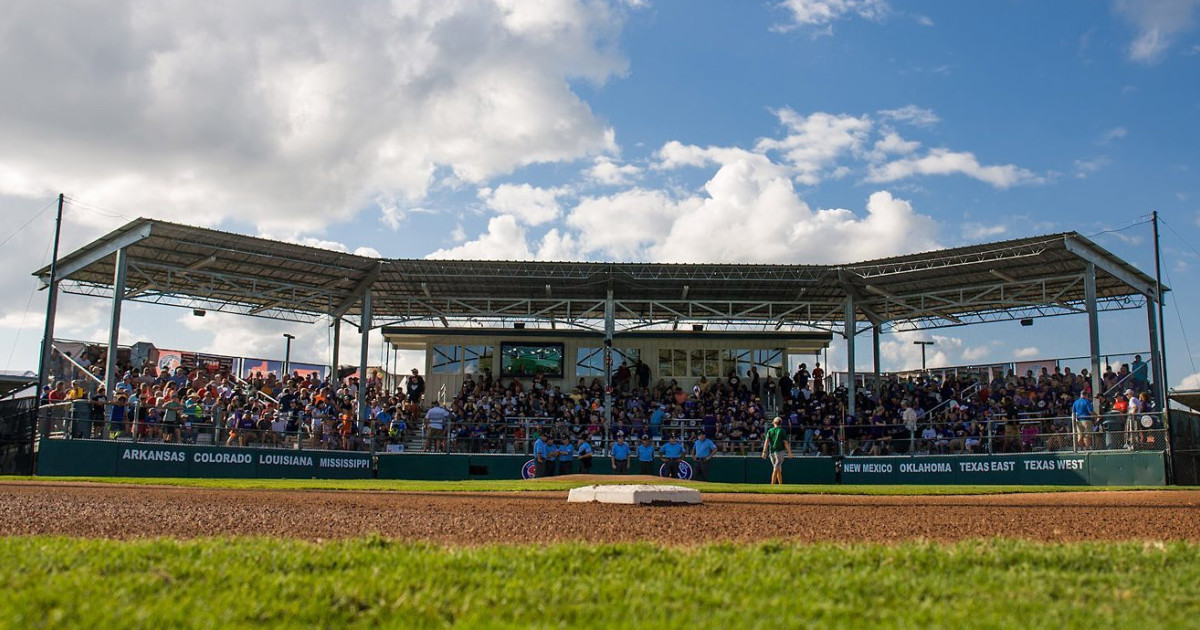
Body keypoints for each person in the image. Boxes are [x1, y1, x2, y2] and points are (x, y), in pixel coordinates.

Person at [761, 416, 792, 485]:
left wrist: (764, 452)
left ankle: (780, 485)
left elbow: (766, 442)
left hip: (771, 452)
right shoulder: (782, 431)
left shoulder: (770, 430)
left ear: (773, 423)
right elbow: (786, 443)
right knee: (776, 468)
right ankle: (772, 484)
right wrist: (789, 452)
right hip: (779, 452)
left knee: (778, 469)